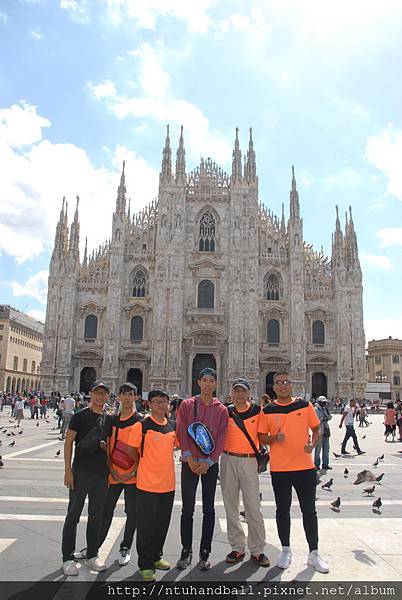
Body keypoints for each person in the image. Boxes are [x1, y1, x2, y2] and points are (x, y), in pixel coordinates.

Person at [258, 371, 329, 573]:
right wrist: (273, 439)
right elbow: (262, 437)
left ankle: (314, 553)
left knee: (309, 511)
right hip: (280, 469)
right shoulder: (268, 410)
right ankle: (286, 550)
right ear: (273, 387)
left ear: (291, 384)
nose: (282, 385)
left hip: (305, 468)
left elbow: (317, 429)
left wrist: (313, 445)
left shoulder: (304, 406)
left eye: (286, 382)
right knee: (282, 510)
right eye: (278, 382)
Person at [74, 382, 142, 566]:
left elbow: (144, 452)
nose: (127, 398)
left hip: (133, 476)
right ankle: (93, 548)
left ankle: (125, 547)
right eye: (124, 394)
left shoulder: (141, 421)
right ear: (118, 397)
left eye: (131, 394)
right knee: (104, 511)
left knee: (132, 512)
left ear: (136, 397)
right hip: (112, 473)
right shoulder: (111, 420)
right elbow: (103, 443)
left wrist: (132, 472)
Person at [176, 367, 228, 570]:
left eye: (211, 380)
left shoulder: (221, 409)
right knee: (187, 509)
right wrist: (189, 457)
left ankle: (205, 551)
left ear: (215, 383)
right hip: (189, 464)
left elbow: (222, 437)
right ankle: (186, 550)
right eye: (204, 380)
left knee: (209, 509)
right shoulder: (188, 405)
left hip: (209, 465)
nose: (207, 384)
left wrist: (210, 461)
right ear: (198, 382)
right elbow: (181, 430)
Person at [61, 380, 114, 576]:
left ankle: (92, 554)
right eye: (97, 393)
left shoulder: (108, 419)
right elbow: (68, 444)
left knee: (96, 516)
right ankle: (67, 558)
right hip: (81, 472)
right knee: (73, 515)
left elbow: (111, 445)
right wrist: (68, 470)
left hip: (101, 474)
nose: (100, 397)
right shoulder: (79, 416)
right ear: (91, 394)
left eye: (104, 393)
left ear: (108, 396)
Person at [127, 390, 177, 582]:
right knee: (146, 525)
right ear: (149, 404)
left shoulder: (172, 425)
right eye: (156, 402)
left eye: (164, 402)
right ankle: (145, 564)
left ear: (168, 405)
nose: (160, 405)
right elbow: (131, 450)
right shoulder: (142, 426)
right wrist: (142, 463)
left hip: (168, 483)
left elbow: (180, 445)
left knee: (162, 523)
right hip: (147, 483)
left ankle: (156, 556)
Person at [220, 379, 269, 567]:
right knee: (231, 506)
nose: (239, 395)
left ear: (248, 393)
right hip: (228, 459)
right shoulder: (226, 411)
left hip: (249, 460)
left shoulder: (258, 411)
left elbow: (264, 436)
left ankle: (257, 549)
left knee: (253, 507)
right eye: (236, 391)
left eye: (242, 391)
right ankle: (237, 547)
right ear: (232, 393)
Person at [314, 396, 332, 471]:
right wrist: (323, 419)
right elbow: (316, 419)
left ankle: (325, 464)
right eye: (323, 402)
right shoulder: (315, 409)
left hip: (326, 429)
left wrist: (327, 415)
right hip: (319, 430)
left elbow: (330, 417)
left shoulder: (325, 409)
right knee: (318, 449)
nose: (325, 403)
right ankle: (316, 464)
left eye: (325, 402)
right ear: (319, 402)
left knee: (326, 448)